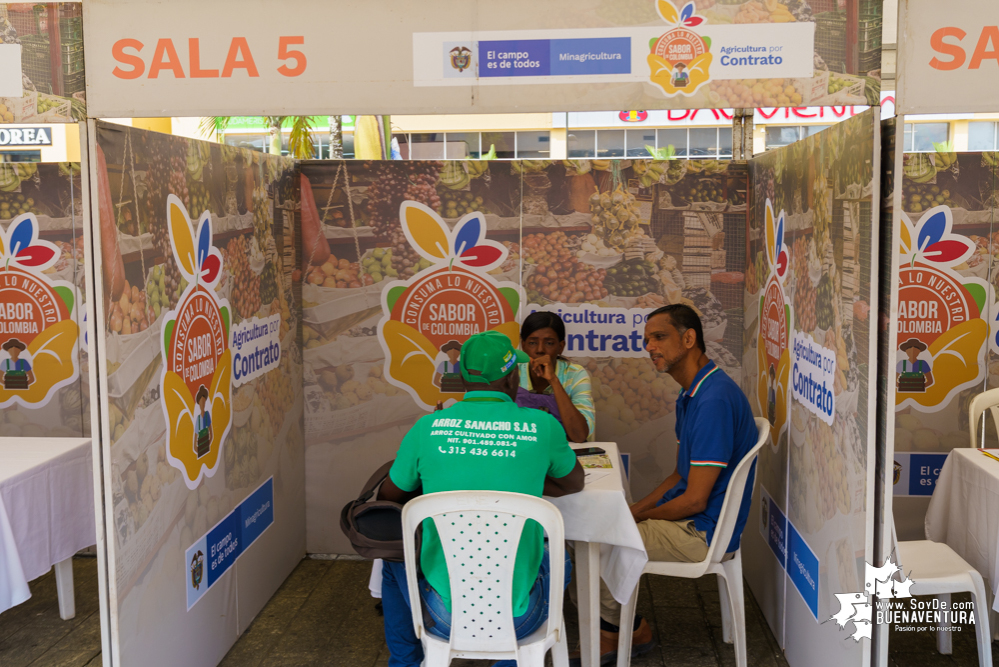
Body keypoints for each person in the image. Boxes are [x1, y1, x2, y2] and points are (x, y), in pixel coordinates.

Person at [378, 330, 585, 667]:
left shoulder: (428, 426)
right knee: (558, 555)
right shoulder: (542, 425)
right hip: (521, 618)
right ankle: (511, 658)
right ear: (512, 376)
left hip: (441, 615)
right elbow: (574, 482)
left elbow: (389, 495)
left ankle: (404, 664)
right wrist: (524, 474)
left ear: (461, 378)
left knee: (392, 559)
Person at [578, 305, 758, 665]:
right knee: (603, 530)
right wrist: (633, 512)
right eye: (647, 340)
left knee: (596, 541)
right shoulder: (693, 392)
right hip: (694, 520)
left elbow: (693, 500)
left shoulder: (714, 400)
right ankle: (609, 623)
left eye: (659, 337)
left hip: (701, 533)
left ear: (689, 339)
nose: (650, 347)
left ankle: (615, 633)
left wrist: (635, 522)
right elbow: (679, 476)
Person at [517, 312, 595, 443]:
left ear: (561, 347)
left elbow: (580, 435)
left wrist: (553, 380)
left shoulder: (576, 375)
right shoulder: (513, 373)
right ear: (523, 345)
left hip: (565, 455)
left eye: (549, 343)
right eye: (532, 343)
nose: (540, 350)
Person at [194, 386, 212, 458]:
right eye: (201, 403)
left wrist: (207, 444)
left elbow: (212, 435)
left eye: (204, 402)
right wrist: (198, 450)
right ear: (199, 404)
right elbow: (194, 442)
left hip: (207, 447)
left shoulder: (207, 415)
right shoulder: (198, 419)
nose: (203, 405)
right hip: (200, 448)